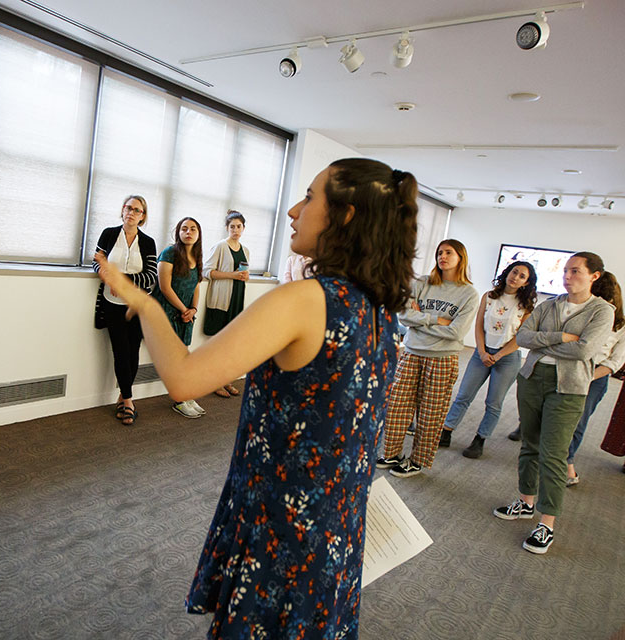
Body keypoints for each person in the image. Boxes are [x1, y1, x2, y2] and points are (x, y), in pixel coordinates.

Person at [95, 158, 418, 639]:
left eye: (309, 197)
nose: (292, 210)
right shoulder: (379, 310)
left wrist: (141, 301)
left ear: (345, 216)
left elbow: (183, 379)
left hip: (283, 522)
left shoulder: (305, 300)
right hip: (336, 520)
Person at [494, 252, 614, 554]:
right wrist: (562, 336)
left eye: (575, 271)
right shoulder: (548, 305)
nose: (568, 276)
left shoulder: (602, 311)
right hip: (532, 378)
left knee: (553, 454)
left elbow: (584, 351)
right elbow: (522, 337)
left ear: (594, 276)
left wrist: (544, 339)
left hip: (569, 387)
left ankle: (546, 522)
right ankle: (525, 502)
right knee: (529, 445)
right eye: (566, 271)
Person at [377, 240, 480, 477]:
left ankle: (417, 460)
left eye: (448, 253)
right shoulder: (422, 283)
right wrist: (434, 320)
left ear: (461, 257)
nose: (442, 256)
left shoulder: (469, 294)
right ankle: (391, 453)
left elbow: (456, 332)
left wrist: (421, 317)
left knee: (431, 412)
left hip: (442, 358)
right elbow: (404, 316)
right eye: (439, 253)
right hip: (412, 352)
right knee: (396, 406)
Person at [442, 261, 538, 459]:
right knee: (463, 395)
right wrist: (482, 351)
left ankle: (480, 440)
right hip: (481, 353)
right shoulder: (490, 296)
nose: (515, 277)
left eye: (522, 276)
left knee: (494, 402)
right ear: (507, 273)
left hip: (507, 358)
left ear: (526, 283)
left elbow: (520, 337)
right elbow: (478, 326)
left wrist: (498, 355)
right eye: (514, 272)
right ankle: (446, 431)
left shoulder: (526, 307)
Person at [92, 195, 158, 427]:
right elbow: (97, 261)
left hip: (138, 305)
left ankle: (123, 395)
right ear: (122, 210)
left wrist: (121, 279)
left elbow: (151, 276)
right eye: (128, 208)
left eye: (137, 210)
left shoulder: (148, 242)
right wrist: (105, 272)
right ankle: (129, 400)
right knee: (120, 350)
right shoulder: (109, 234)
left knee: (133, 352)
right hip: (112, 304)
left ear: (143, 216)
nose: (131, 212)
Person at [565, 272, 624, 485]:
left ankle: (567, 462)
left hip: (594, 377)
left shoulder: (621, 325)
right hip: (567, 367)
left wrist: (586, 377)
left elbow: (614, 362)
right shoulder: (577, 311)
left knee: (578, 422)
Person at [154, 217, 206, 419]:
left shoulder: (197, 256)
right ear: (178, 232)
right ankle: (179, 399)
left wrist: (193, 309)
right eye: (184, 229)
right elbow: (164, 287)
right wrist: (185, 309)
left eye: (193, 229)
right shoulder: (170, 253)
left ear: (198, 233)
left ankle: (185, 395)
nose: (188, 232)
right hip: (167, 311)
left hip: (185, 314)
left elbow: (196, 286)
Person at [203, 210, 249, 398]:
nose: (236, 230)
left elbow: (243, 274)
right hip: (221, 300)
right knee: (218, 342)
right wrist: (232, 275)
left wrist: (244, 276)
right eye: (232, 227)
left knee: (230, 343)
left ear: (243, 228)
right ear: (226, 228)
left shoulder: (245, 250)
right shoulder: (220, 246)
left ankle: (226, 380)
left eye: (239, 226)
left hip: (237, 299)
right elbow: (207, 271)